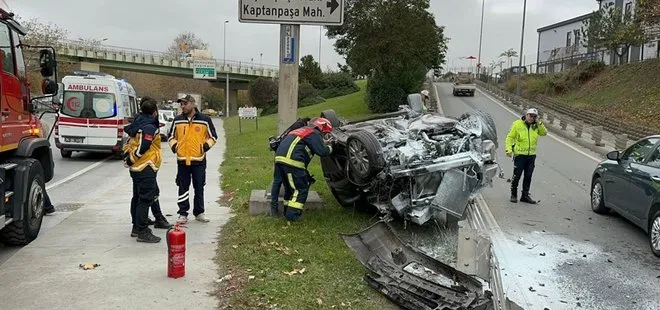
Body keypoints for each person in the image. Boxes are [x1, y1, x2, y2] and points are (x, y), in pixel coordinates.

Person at [271, 117, 334, 222]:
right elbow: (322, 151)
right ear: (321, 128)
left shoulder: (301, 130)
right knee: (301, 189)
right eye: (324, 133)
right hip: (293, 162)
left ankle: (286, 210)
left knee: (289, 189)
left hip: (279, 160)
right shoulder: (314, 132)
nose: (323, 136)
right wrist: (331, 146)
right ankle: (292, 217)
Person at [168, 94, 218, 224]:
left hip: (199, 160)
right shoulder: (178, 120)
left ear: (192, 103)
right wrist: (175, 147)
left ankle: (199, 212)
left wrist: (204, 147)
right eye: (181, 104)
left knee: (199, 186)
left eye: (185, 104)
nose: (182, 106)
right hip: (182, 160)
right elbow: (171, 136)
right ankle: (183, 213)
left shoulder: (205, 119)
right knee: (183, 187)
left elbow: (213, 137)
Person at [122, 97, 164, 243]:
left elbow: (131, 141)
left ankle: (136, 227)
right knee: (145, 199)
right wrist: (132, 159)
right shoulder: (149, 127)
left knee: (137, 197)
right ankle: (142, 230)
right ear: (154, 112)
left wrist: (130, 160)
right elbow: (144, 146)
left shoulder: (138, 122)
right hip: (146, 166)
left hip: (137, 168)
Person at [505, 108, 547, 204]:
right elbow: (509, 137)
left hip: (531, 155)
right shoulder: (517, 124)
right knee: (517, 176)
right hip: (519, 155)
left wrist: (539, 123)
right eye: (530, 115)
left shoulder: (536, 126)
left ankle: (525, 195)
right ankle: (513, 194)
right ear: (526, 115)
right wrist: (509, 150)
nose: (531, 118)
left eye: (534, 116)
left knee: (528, 176)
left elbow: (544, 133)